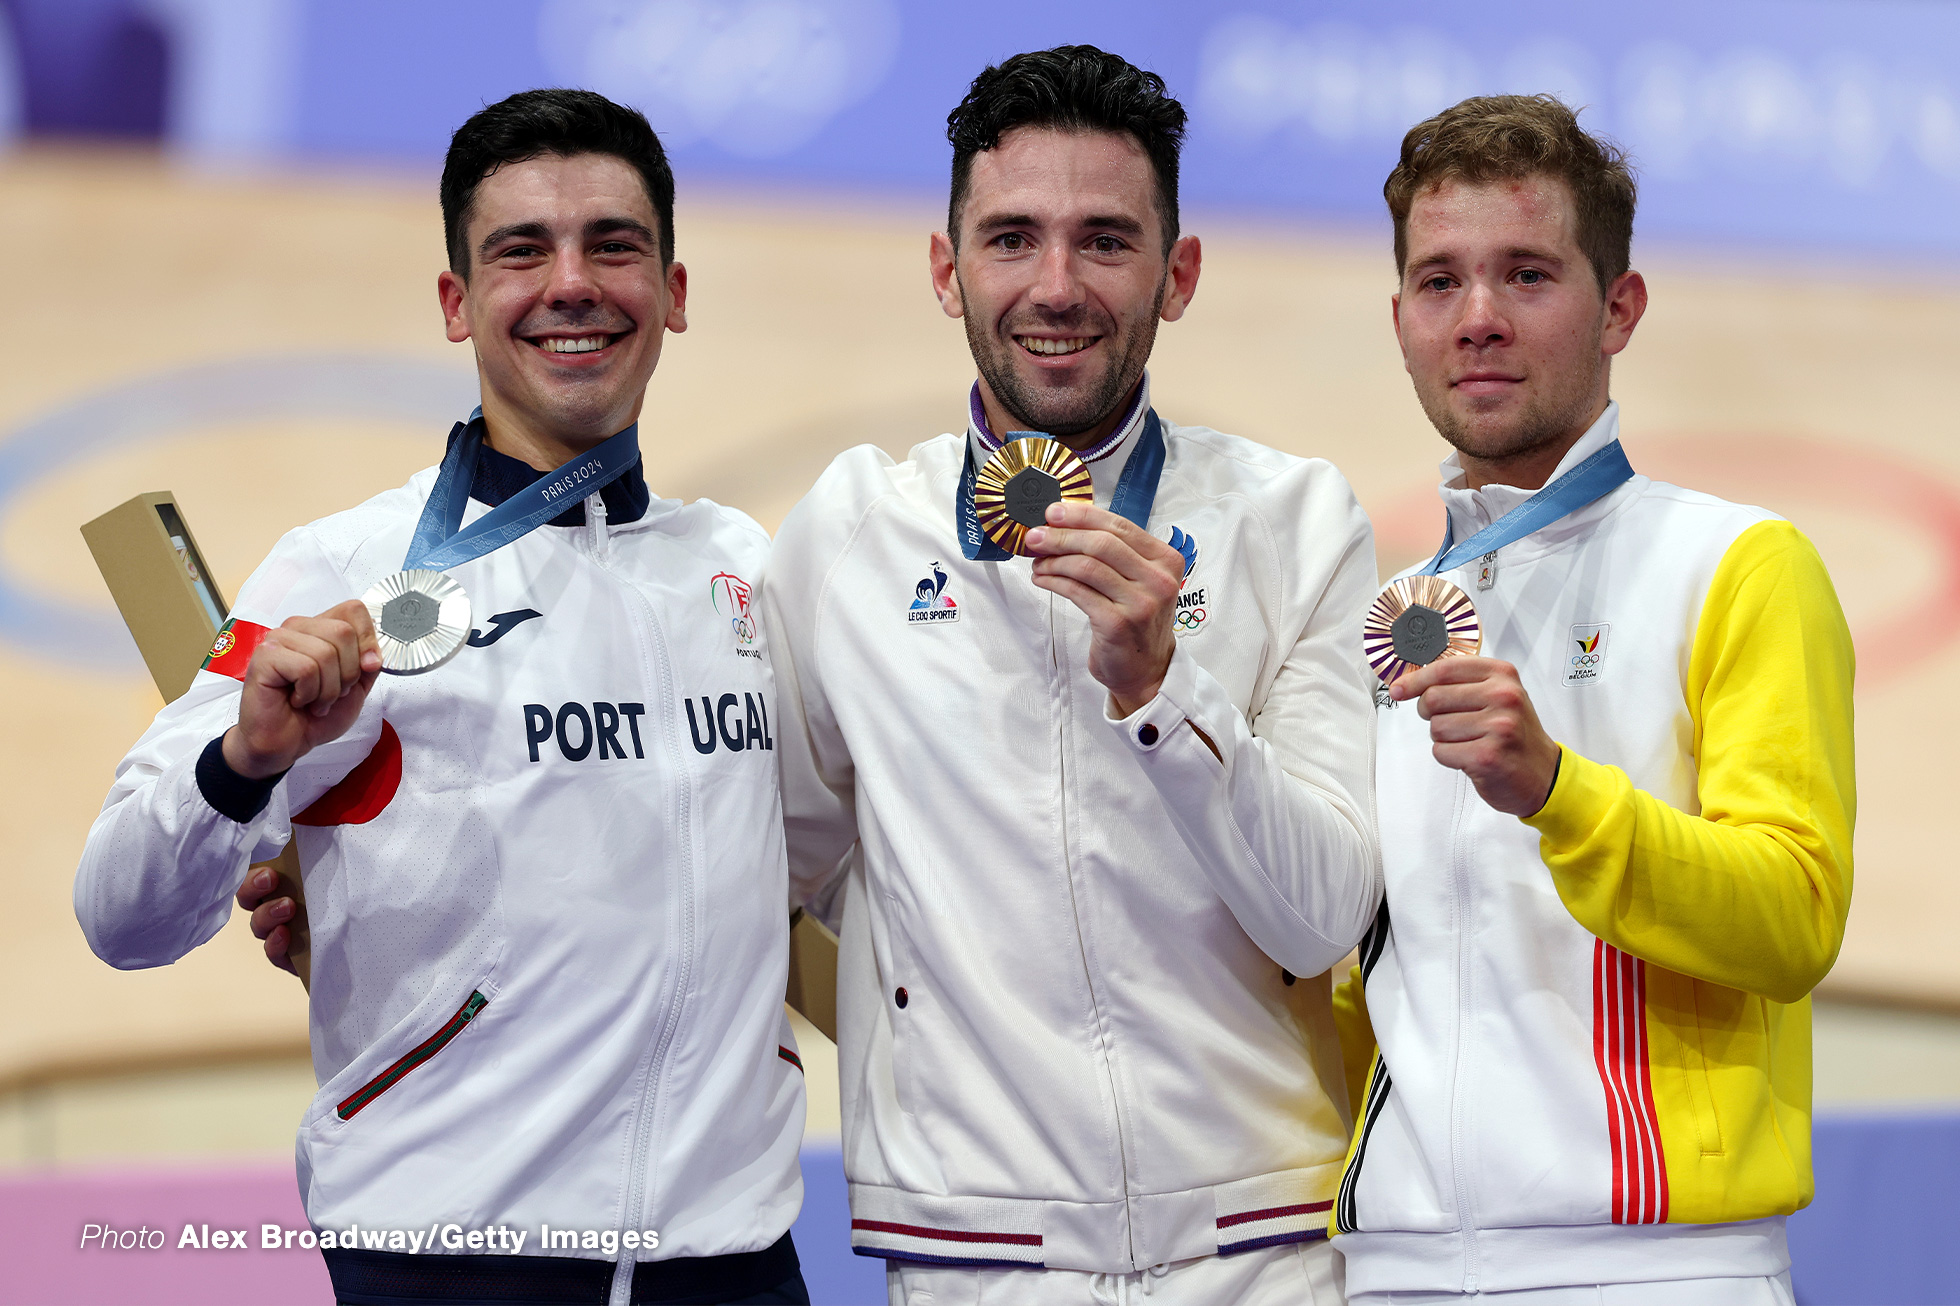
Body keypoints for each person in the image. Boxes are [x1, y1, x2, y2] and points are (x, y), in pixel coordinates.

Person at [74, 89, 811, 1306]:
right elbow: (121, 916)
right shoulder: (340, 572)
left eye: (612, 245)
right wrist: (243, 764)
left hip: (730, 1258)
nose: (571, 283)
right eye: (521, 250)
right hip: (449, 1255)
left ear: (673, 293)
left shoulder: (742, 568)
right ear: (456, 303)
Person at [763, 47, 1379, 1306]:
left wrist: (1165, 694)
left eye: (1105, 240)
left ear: (1178, 271)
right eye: (1011, 238)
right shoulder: (851, 535)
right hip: (972, 1258)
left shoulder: (1295, 519)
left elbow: (1319, 917)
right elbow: (750, 877)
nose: (1056, 287)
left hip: (1264, 1253)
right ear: (947, 269)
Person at [1329, 95, 1854, 1305]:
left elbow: (1793, 917)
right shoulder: (1382, 614)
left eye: (1526, 274)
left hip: (1653, 1268)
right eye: (1438, 281)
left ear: (1619, 307)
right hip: (1390, 1267)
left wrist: (1559, 794)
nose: (1478, 320)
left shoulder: (1739, 563)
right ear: (1400, 318)